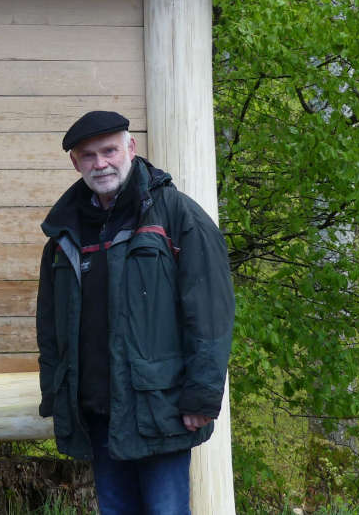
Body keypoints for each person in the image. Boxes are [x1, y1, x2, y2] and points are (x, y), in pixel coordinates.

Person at [36, 111, 234, 514]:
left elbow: (211, 315)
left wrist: (201, 396)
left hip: (162, 409)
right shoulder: (64, 233)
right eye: (88, 156)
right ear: (75, 163)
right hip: (99, 412)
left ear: (131, 148)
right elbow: (50, 327)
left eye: (109, 150)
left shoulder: (178, 216)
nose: (100, 163)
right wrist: (57, 397)